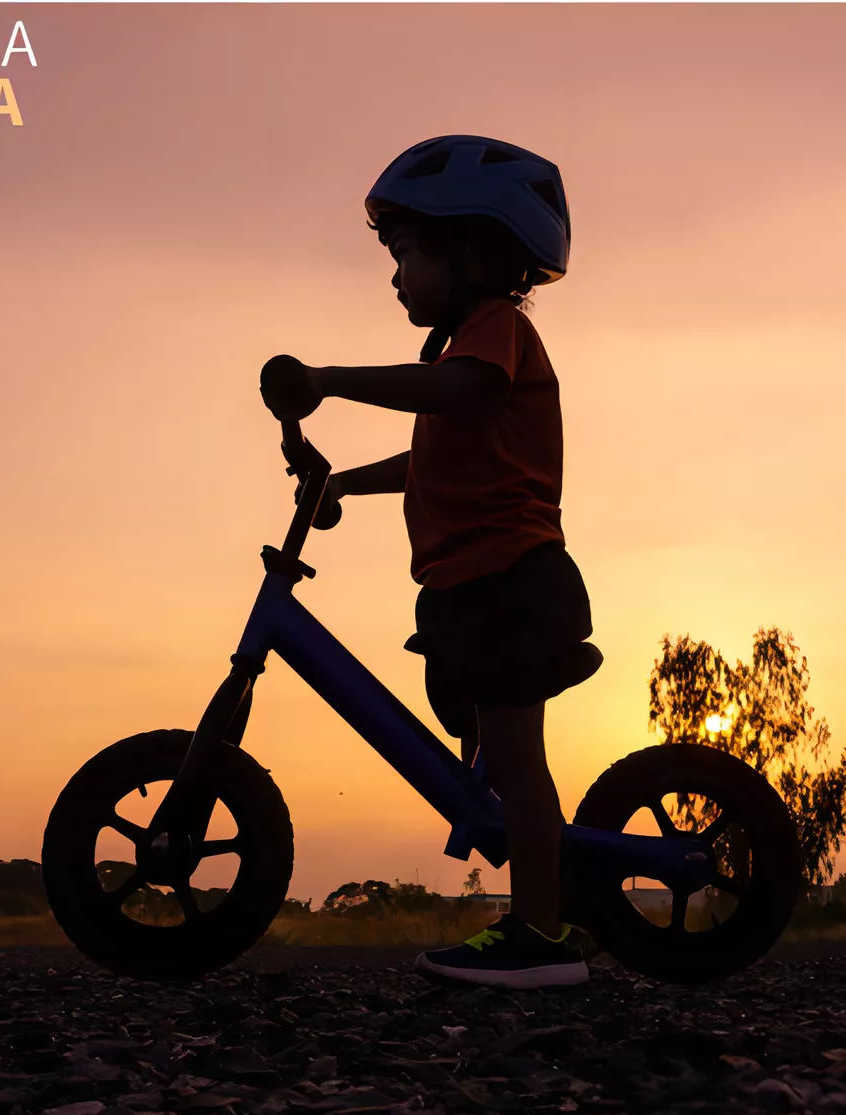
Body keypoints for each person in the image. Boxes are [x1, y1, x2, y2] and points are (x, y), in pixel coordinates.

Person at [260, 135, 593, 988]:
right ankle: (534, 903)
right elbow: (430, 461)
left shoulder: (494, 334)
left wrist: (330, 378)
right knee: (491, 753)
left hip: (512, 580)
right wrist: (341, 484)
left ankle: (542, 938)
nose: (396, 274)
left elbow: (462, 395)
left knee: (519, 762)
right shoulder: (459, 357)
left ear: (473, 249)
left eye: (406, 252)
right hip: (471, 589)